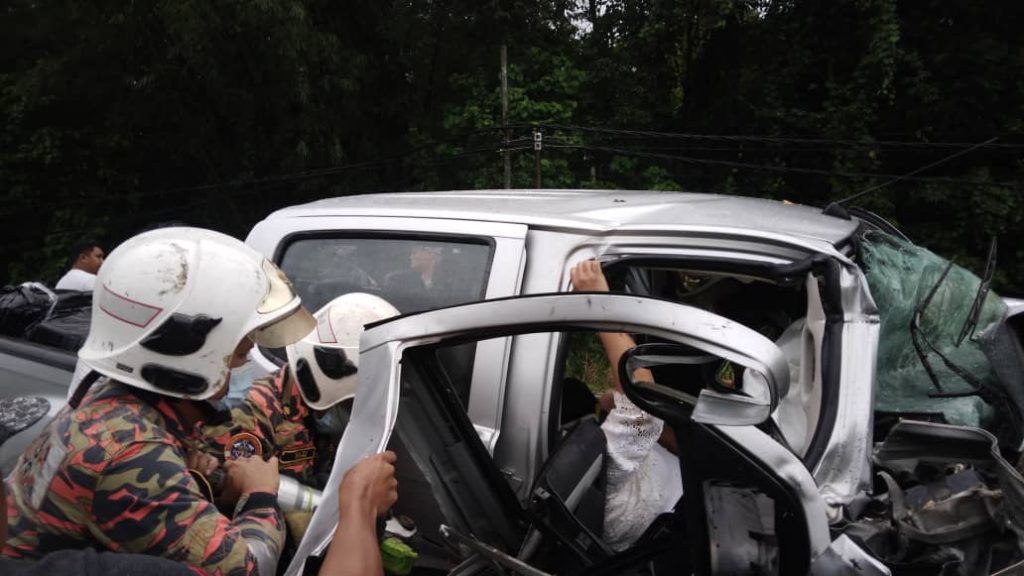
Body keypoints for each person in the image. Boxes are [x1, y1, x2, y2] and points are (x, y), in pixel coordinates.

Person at [3, 227, 317, 576]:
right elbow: (246, 569)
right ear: (185, 357)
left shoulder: (111, 398)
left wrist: (207, 484)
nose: (244, 368)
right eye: (238, 356)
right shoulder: (130, 452)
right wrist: (259, 496)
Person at [569, 260, 683, 552]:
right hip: (692, 523)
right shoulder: (607, 466)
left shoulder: (614, 455)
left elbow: (650, 426)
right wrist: (600, 306)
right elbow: (642, 397)